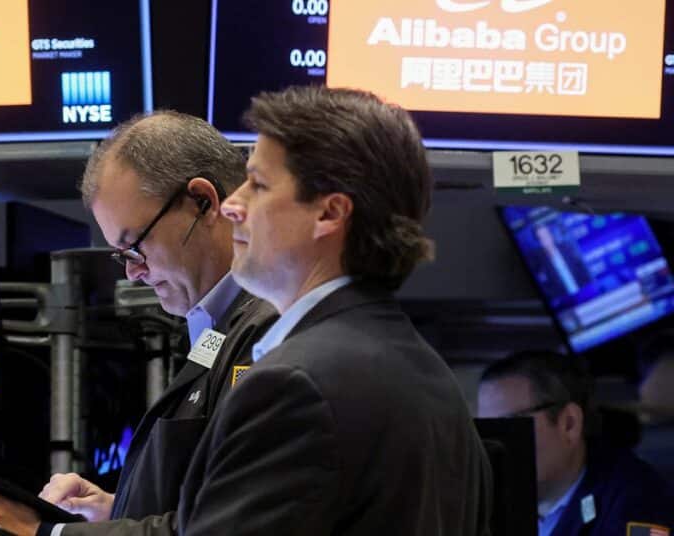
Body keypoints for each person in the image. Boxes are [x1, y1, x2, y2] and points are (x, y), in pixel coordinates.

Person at [176, 85, 491, 534]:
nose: (231, 205)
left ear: (330, 213)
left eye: (259, 185)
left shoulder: (293, 385)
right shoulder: (437, 382)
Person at [0, 111, 277, 536]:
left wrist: (48, 534)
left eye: (134, 246)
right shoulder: (219, 328)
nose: (132, 273)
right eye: (121, 257)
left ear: (203, 202)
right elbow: (202, 499)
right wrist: (119, 507)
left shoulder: (270, 330)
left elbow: (230, 527)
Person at [478, 349, 674, 536]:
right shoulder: (502, 504)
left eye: (509, 426)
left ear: (569, 424)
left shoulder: (639, 505)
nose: (495, 446)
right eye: (488, 432)